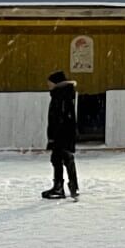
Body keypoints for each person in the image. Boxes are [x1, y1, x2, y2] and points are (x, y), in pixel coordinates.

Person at [42, 71, 79, 199]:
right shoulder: (62, 95)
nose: (48, 85)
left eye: (50, 83)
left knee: (63, 158)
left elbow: (58, 119)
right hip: (63, 133)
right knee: (60, 159)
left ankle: (62, 187)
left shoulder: (60, 97)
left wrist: (54, 136)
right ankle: (66, 186)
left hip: (61, 134)